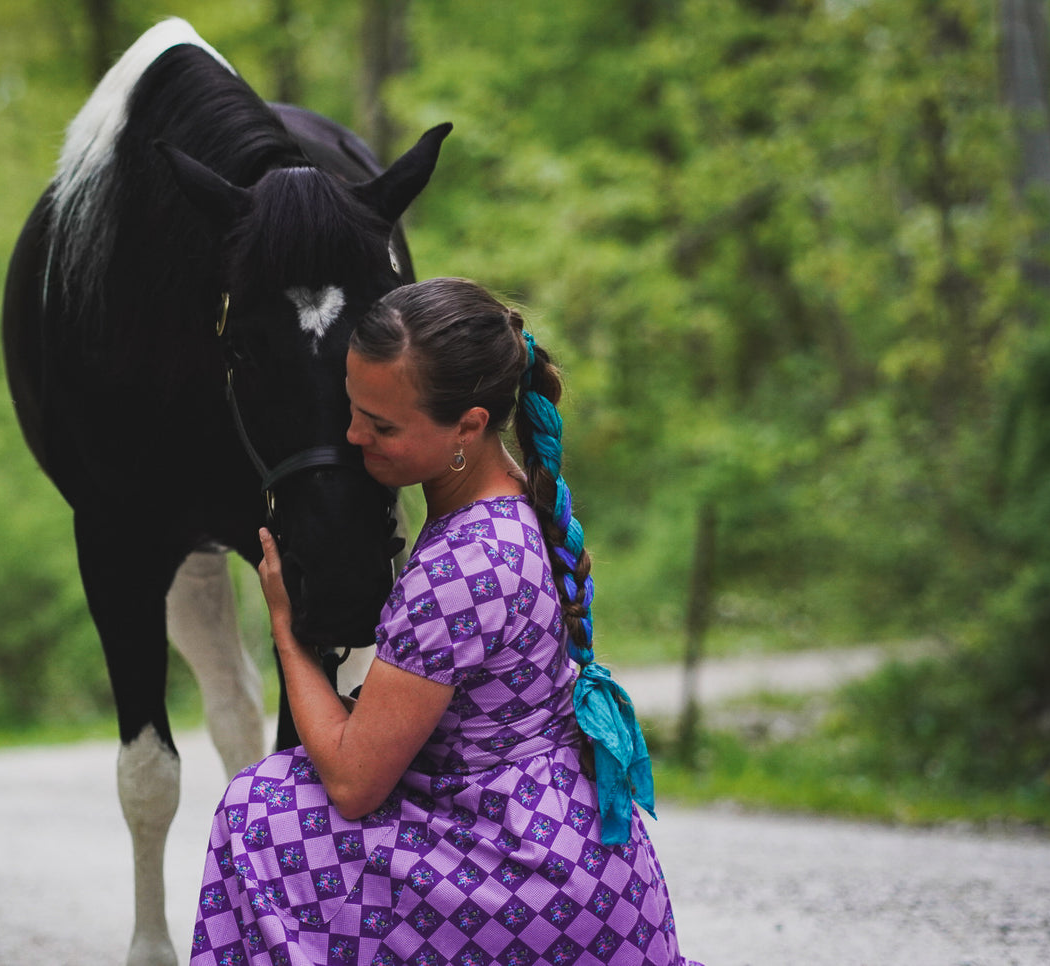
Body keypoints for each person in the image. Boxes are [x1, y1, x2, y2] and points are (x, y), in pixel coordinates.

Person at [190, 278, 702, 966]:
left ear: (466, 427)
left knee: (261, 812)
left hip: (528, 876)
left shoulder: (464, 564)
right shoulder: (517, 497)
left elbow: (351, 782)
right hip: (577, 854)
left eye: (382, 425)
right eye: (352, 406)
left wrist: (285, 630)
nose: (351, 435)